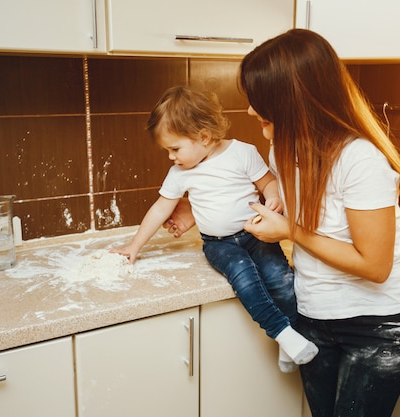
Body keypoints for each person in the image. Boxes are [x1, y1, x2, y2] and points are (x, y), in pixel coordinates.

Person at [162, 30, 400, 417]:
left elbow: (375, 265)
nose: (250, 111)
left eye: (258, 100)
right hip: (312, 314)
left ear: (291, 100)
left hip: (374, 328)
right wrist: (198, 208)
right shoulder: (284, 148)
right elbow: (284, 208)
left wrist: (290, 233)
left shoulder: (360, 160)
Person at [111, 85, 318, 373]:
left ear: (204, 137)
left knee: (281, 280)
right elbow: (161, 208)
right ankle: (282, 334)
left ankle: (289, 341)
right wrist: (134, 246)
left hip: (256, 233)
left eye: (175, 148)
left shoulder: (242, 153)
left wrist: (273, 197)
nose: (171, 157)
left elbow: (268, 183)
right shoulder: (180, 173)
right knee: (246, 281)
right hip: (219, 245)